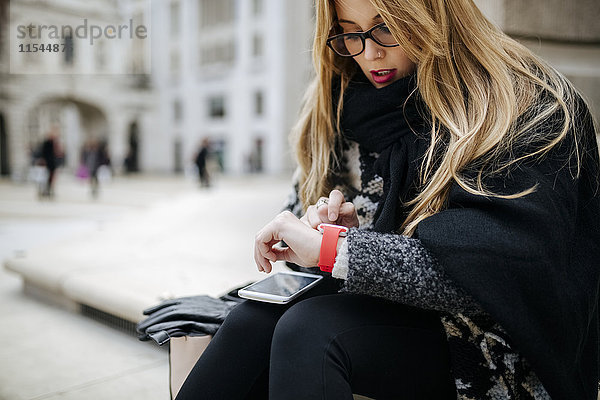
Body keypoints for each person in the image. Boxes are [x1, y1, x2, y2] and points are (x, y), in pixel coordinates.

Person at [176, 0, 600, 399]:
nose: (369, 54)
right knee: (254, 319)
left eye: (385, 28)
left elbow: (501, 273)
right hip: (396, 318)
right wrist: (321, 236)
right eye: (349, 33)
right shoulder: (338, 108)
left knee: (311, 330)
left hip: (498, 346)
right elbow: (320, 261)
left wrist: (338, 250)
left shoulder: (528, 104)